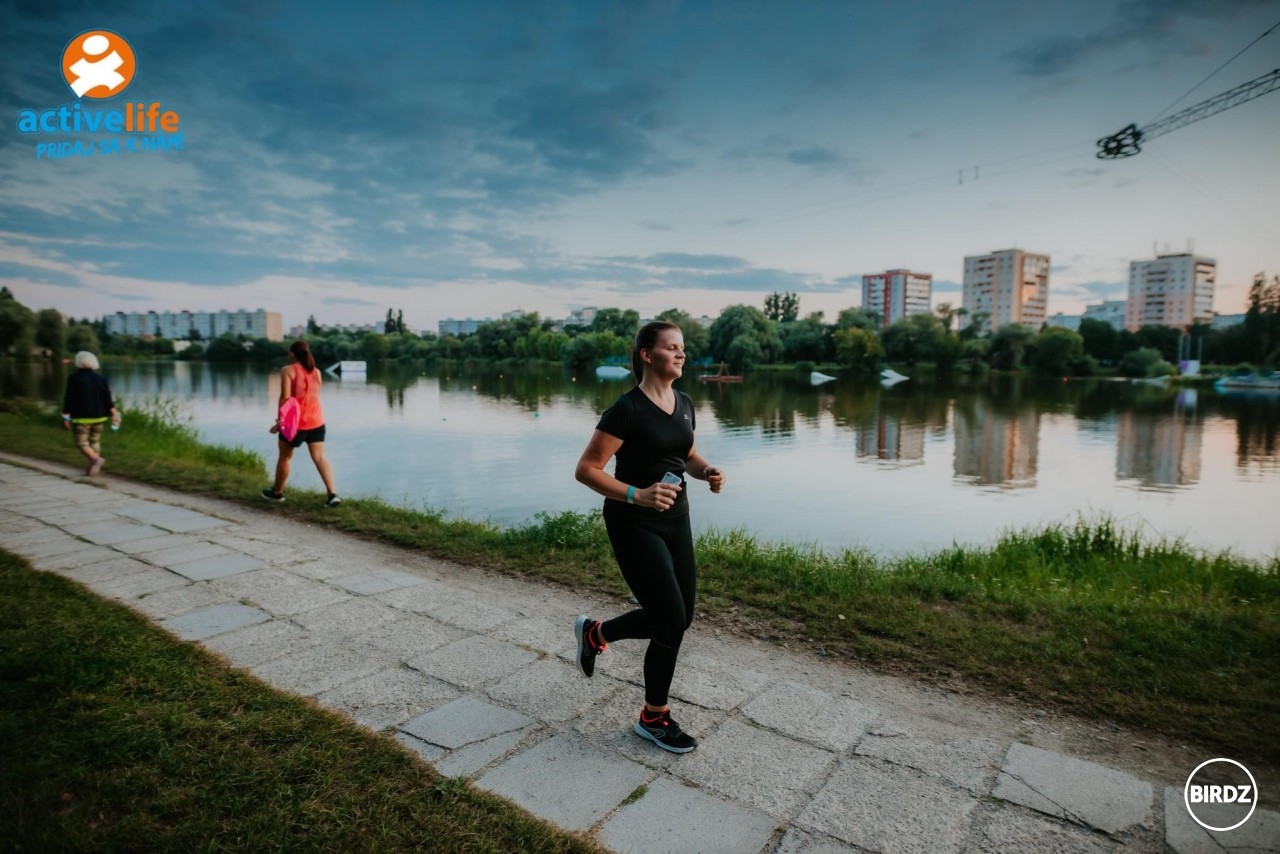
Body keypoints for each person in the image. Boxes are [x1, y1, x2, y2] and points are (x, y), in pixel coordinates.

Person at [573, 321, 726, 754]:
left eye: (683, 348)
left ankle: (596, 634)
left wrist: (707, 470)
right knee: (670, 618)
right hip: (633, 521)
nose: (681, 355)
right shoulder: (627, 409)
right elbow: (587, 470)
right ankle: (653, 717)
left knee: (679, 616)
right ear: (646, 355)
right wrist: (636, 495)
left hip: (676, 519)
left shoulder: (685, 402)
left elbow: (686, 454)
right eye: (672, 348)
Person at [261, 340, 341, 506]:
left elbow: (286, 398)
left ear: (292, 354)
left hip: (294, 423)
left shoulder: (288, 370)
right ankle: (332, 494)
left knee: (285, 457)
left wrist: (280, 422)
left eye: (288, 352)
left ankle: (277, 493)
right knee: (320, 457)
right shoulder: (317, 372)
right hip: (317, 421)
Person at [61, 350, 119, 476]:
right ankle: (92, 468)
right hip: (99, 417)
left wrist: (65, 416)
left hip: (81, 418)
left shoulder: (73, 379)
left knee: (81, 443)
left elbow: (69, 398)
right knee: (94, 442)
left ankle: (96, 460)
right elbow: (107, 397)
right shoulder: (101, 379)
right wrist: (114, 412)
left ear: (78, 363)